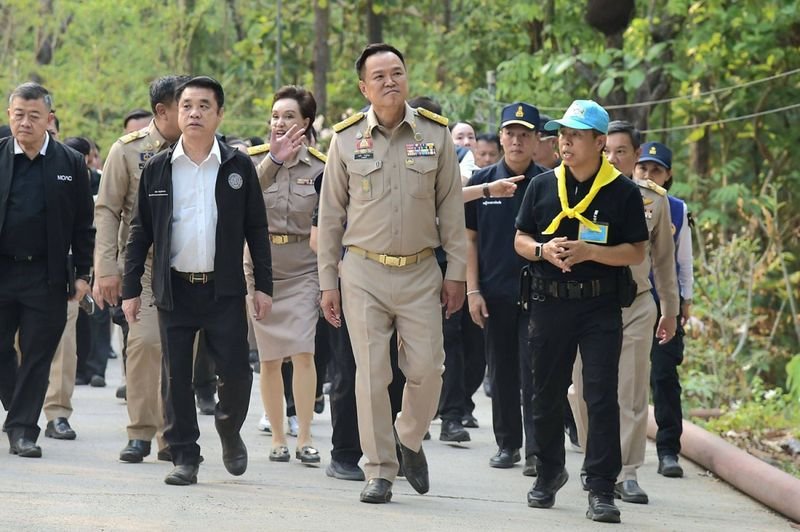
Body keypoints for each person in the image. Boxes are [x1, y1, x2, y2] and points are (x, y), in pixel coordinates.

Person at [317, 43, 467, 504]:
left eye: (396, 72)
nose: (389, 81)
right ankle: (380, 469)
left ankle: (409, 436)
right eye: (378, 76)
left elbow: (451, 209)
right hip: (363, 272)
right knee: (371, 374)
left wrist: (457, 273)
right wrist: (328, 282)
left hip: (421, 270)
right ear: (364, 87)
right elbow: (330, 217)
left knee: (428, 370)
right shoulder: (345, 139)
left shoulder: (436, 134)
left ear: (407, 78)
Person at [122, 75, 273, 486]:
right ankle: (185, 456)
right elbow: (140, 232)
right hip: (175, 288)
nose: (194, 113)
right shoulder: (158, 167)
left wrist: (263, 286)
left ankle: (228, 426)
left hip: (223, 289)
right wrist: (130, 288)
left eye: (204, 106)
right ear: (176, 113)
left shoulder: (238, 166)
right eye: (187, 105)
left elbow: (257, 229)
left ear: (219, 114)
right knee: (176, 378)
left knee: (237, 373)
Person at [514, 100, 648, 523]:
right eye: (562, 134)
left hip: (599, 306)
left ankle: (601, 487)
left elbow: (636, 251)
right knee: (545, 392)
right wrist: (542, 250)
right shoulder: (542, 185)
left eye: (575, 135)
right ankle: (548, 472)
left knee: (600, 395)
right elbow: (520, 238)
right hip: (549, 302)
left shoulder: (623, 191)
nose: (565, 142)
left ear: (599, 142)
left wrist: (591, 251)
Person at [568, 125, 679, 505]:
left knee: (630, 391)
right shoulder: (579, 191)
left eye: (622, 152)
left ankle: (626, 472)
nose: (614, 159)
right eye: (608, 151)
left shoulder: (653, 200)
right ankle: (595, 462)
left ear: (636, 156)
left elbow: (663, 261)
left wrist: (670, 310)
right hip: (588, 304)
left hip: (635, 304)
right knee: (585, 389)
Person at [94, 75, 187, 464]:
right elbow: (108, 209)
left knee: (178, 352)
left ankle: (172, 435)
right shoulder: (127, 151)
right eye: (184, 106)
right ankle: (141, 432)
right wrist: (106, 268)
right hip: (143, 266)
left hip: (189, 266)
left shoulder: (202, 148)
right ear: (162, 111)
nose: (192, 113)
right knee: (146, 343)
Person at [0, 82, 94, 458]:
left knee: (38, 356)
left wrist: (84, 274)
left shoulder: (69, 163)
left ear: (49, 119)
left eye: (34, 116)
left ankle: (23, 431)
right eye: (19, 115)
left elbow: (83, 225)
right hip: (3, 272)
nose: (25, 122)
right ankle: (18, 407)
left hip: (47, 276)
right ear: (9, 115)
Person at [466, 102, 548, 475]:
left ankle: (537, 449)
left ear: (536, 140)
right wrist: (472, 290)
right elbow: (468, 240)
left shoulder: (550, 182)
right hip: (494, 292)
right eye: (510, 134)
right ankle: (508, 444)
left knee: (536, 373)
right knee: (500, 371)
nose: (516, 141)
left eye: (524, 135)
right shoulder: (481, 182)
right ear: (500, 137)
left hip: (540, 294)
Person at [244, 85, 325, 465]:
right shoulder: (254, 161)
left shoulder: (322, 166)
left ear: (306, 122)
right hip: (261, 266)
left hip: (305, 266)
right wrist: (273, 160)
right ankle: (277, 438)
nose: (280, 122)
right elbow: (241, 200)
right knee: (271, 358)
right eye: (275, 116)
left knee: (304, 351)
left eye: (289, 116)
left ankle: (305, 437)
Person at [638, 141, 694, 479]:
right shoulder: (621, 200)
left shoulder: (676, 209)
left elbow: (683, 259)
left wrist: (684, 300)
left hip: (663, 303)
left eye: (656, 170)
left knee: (663, 375)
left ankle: (668, 450)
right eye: (643, 168)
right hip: (626, 299)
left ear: (668, 175)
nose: (648, 175)